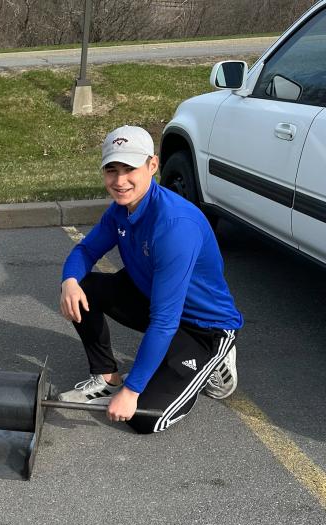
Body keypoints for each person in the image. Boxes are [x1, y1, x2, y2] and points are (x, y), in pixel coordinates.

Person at [59, 125, 243, 434]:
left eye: (129, 168)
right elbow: (86, 249)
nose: (120, 181)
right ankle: (106, 379)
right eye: (111, 170)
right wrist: (69, 281)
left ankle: (215, 358)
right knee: (84, 287)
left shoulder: (174, 226)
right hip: (156, 299)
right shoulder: (121, 208)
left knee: (144, 418)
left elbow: (165, 321)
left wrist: (132, 392)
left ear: (152, 165)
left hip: (202, 326)